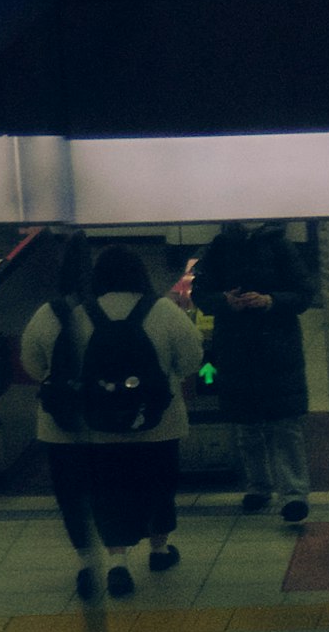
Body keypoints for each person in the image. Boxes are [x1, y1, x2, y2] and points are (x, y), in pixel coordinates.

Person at [19, 241, 202, 600]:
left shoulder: (71, 314)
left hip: (88, 428)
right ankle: (159, 551)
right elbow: (192, 359)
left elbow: (34, 365)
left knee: (102, 495)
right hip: (157, 425)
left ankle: (108, 564)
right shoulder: (163, 310)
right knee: (158, 488)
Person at [196, 220, 317, 526]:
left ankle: (293, 494)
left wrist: (271, 301)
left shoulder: (280, 245)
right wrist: (225, 301)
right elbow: (200, 293)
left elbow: (304, 293)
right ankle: (258, 486)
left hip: (276, 347)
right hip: (240, 348)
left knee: (284, 422)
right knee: (247, 424)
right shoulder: (219, 247)